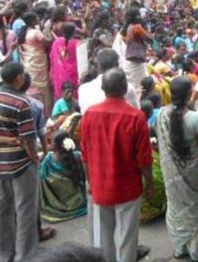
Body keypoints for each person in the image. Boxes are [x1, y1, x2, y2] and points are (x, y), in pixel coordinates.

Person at [80, 68, 153, 262]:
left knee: (104, 236)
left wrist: (89, 181)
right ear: (124, 88)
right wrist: (150, 185)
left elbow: (85, 155)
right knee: (127, 237)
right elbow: (144, 159)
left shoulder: (89, 115)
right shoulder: (136, 117)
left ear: (103, 88)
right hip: (128, 187)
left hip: (100, 185)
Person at [0, 62, 40, 262]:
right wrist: (34, 158)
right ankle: (25, 256)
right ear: (19, 78)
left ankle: (3, 254)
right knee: (25, 211)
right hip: (21, 164)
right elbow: (28, 139)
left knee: (2, 209)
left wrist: (5, 140)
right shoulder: (22, 103)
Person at [155, 76, 198, 261]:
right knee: (194, 210)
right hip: (193, 174)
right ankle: (197, 251)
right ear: (189, 95)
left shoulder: (161, 114)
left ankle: (180, 248)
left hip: (171, 175)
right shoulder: (196, 119)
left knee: (176, 209)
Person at [39, 130, 87, 223]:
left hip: (56, 203)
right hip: (79, 200)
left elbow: (42, 179)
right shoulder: (78, 156)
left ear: (54, 147)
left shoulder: (48, 160)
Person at [78, 48, 139, 114]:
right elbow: (136, 110)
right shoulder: (127, 88)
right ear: (117, 65)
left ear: (98, 65)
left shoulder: (83, 89)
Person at [18, 11, 52, 115]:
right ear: (33, 21)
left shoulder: (24, 31)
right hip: (38, 62)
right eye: (37, 18)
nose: (39, 19)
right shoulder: (36, 32)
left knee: (31, 84)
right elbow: (48, 42)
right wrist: (47, 31)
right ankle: (44, 110)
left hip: (28, 62)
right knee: (41, 86)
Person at [50, 22, 79, 101]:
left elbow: (52, 57)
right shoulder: (77, 43)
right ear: (74, 31)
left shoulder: (56, 42)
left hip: (59, 73)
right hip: (74, 74)